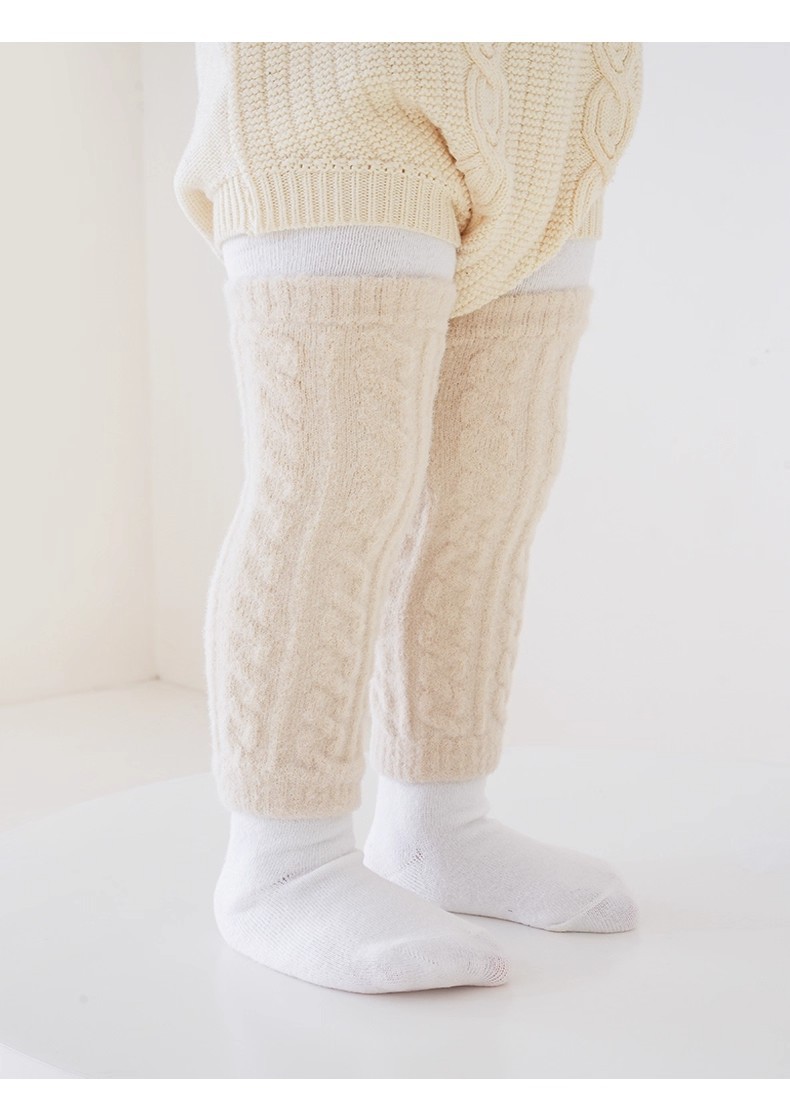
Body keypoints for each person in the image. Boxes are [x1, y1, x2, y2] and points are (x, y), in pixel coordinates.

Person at [173, 41, 644, 994]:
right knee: (333, 483)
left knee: (491, 490)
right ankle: (282, 862)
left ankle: (440, 825)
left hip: (556, 90)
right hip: (337, 68)